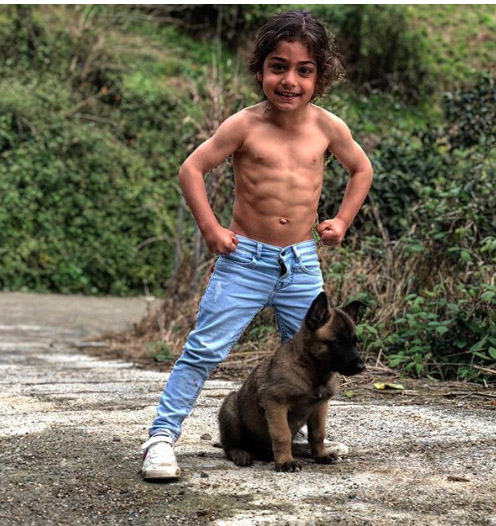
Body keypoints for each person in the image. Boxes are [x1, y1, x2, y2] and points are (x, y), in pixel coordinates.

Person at [141, 10, 373, 480]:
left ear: (320, 76)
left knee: (311, 354)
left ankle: (303, 437)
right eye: (278, 67)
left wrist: (342, 220)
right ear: (261, 68)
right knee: (204, 350)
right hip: (243, 260)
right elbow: (191, 169)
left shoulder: (328, 127)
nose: (289, 80)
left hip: (301, 263)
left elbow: (361, 169)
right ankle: (161, 438)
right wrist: (211, 228)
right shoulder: (244, 125)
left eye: (304, 70)